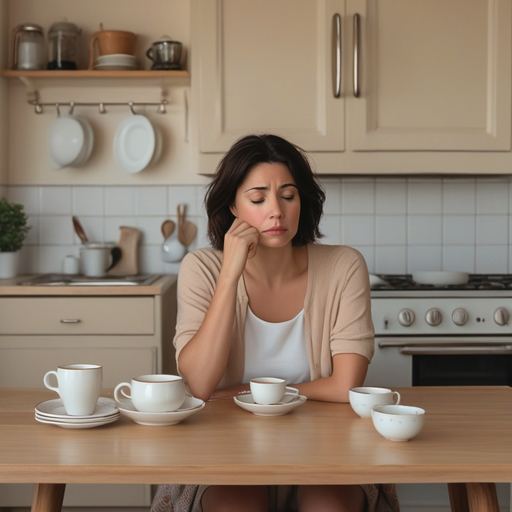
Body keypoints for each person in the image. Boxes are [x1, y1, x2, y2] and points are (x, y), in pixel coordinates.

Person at [151, 134, 399, 512]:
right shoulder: (201, 268)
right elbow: (199, 383)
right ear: (233, 205)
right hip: (225, 446)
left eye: (288, 195)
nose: (277, 211)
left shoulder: (344, 265)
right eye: (257, 198)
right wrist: (230, 272)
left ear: (303, 202)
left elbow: (346, 384)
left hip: (326, 447)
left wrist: (246, 391)